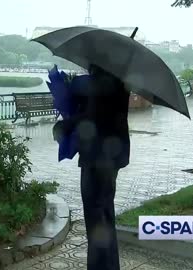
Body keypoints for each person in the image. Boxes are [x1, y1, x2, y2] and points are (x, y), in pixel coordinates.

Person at [53, 64, 130, 270]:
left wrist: (64, 125)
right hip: (113, 158)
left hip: (96, 158)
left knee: (96, 219)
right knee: (105, 214)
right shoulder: (120, 82)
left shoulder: (100, 83)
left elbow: (92, 115)